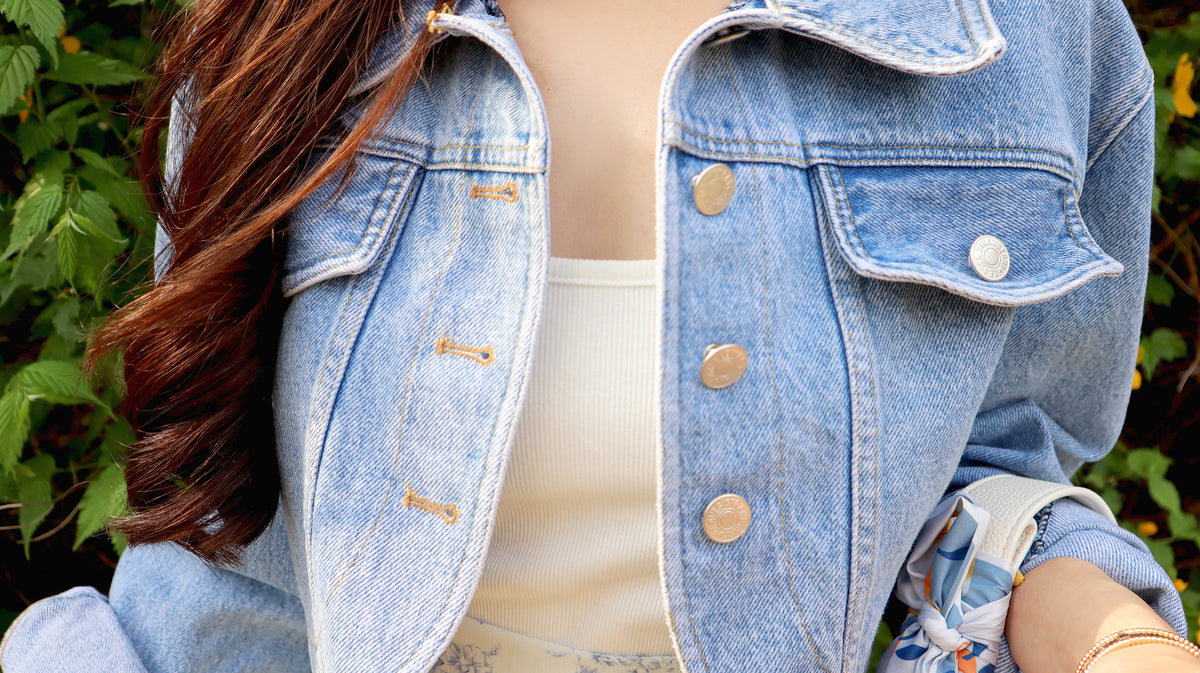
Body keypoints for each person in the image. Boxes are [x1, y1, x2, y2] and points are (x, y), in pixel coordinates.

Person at [0, 0, 1193, 671]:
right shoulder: (292, 32)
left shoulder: (1027, 33)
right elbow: (227, 554)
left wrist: (1105, 635)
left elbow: (994, 472)